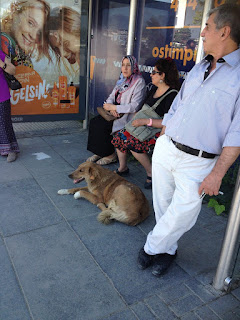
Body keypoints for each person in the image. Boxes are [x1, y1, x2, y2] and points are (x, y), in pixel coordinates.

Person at [138, 4, 240, 277]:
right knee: (163, 207)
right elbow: (177, 107)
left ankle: (151, 246)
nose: (202, 32)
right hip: (167, 149)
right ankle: (167, 251)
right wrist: (163, 136)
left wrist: (218, 173)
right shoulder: (200, 66)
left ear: (224, 31)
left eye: (207, 26)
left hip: (199, 162)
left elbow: (237, 133)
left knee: (184, 212)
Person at [112, 58, 179, 188]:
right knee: (119, 137)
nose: (151, 74)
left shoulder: (172, 95)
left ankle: (151, 173)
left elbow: (168, 123)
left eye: (154, 72)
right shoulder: (153, 89)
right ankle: (123, 168)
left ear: (162, 75)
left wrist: (145, 121)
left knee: (134, 144)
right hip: (143, 126)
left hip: (158, 130)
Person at [87, 55, 146, 165]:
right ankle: (100, 152)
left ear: (134, 67)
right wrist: (110, 107)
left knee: (103, 126)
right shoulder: (122, 80)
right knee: (94, 122)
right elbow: (111, 96)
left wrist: (115, 108)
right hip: (114, 113)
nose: (125, 68)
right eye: (123, 65)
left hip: (125, 116)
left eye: (128, 65)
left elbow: (135, 106)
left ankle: (110, 155)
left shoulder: (139, 82)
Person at [1, 0, 50, 67]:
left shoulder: (20, 53)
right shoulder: (4, 42)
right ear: (14, 10)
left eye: (39, 31)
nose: (33, 36)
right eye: (30, 23)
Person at [0, 50, 20, 162]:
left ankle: (11, 149)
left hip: (1, 94)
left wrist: (2, 64)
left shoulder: (1, 55)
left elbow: (13, 71)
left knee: (4, 122)